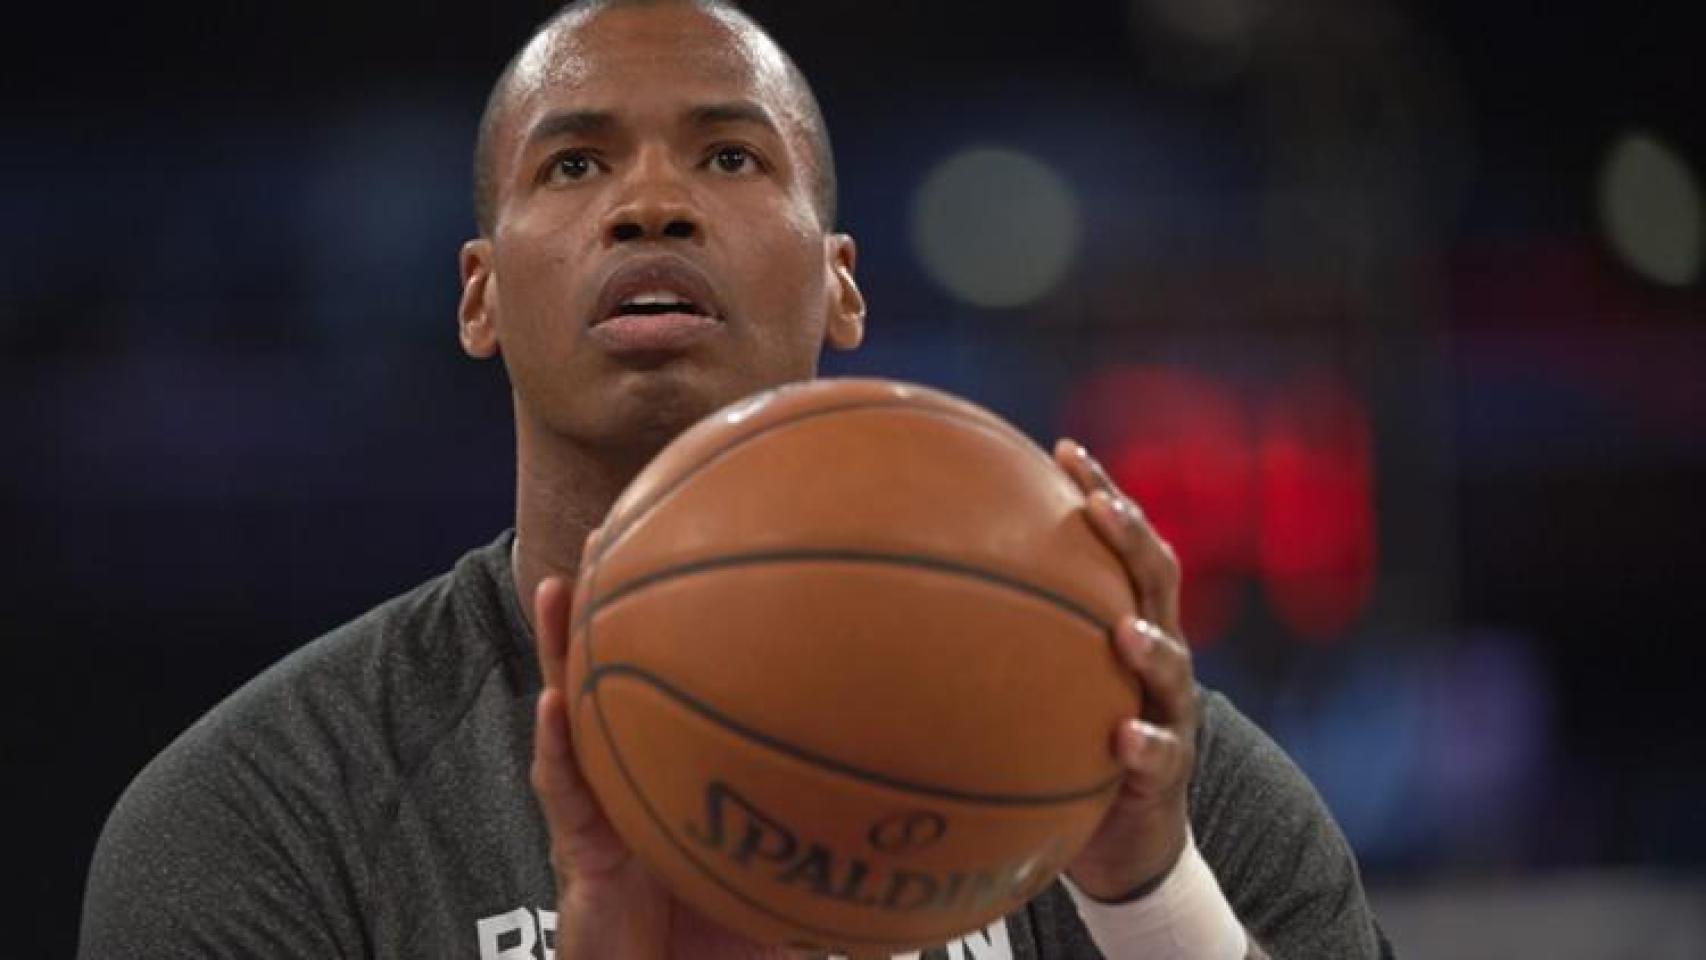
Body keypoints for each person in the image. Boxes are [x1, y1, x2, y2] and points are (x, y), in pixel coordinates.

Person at [79, 1, 1393, 957]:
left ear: (841, 280)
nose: (651, 204)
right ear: (478, 296)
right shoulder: (272, 805)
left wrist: (1147, 898)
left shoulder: (1131, 766)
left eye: (728, 156)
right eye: (575, 162)